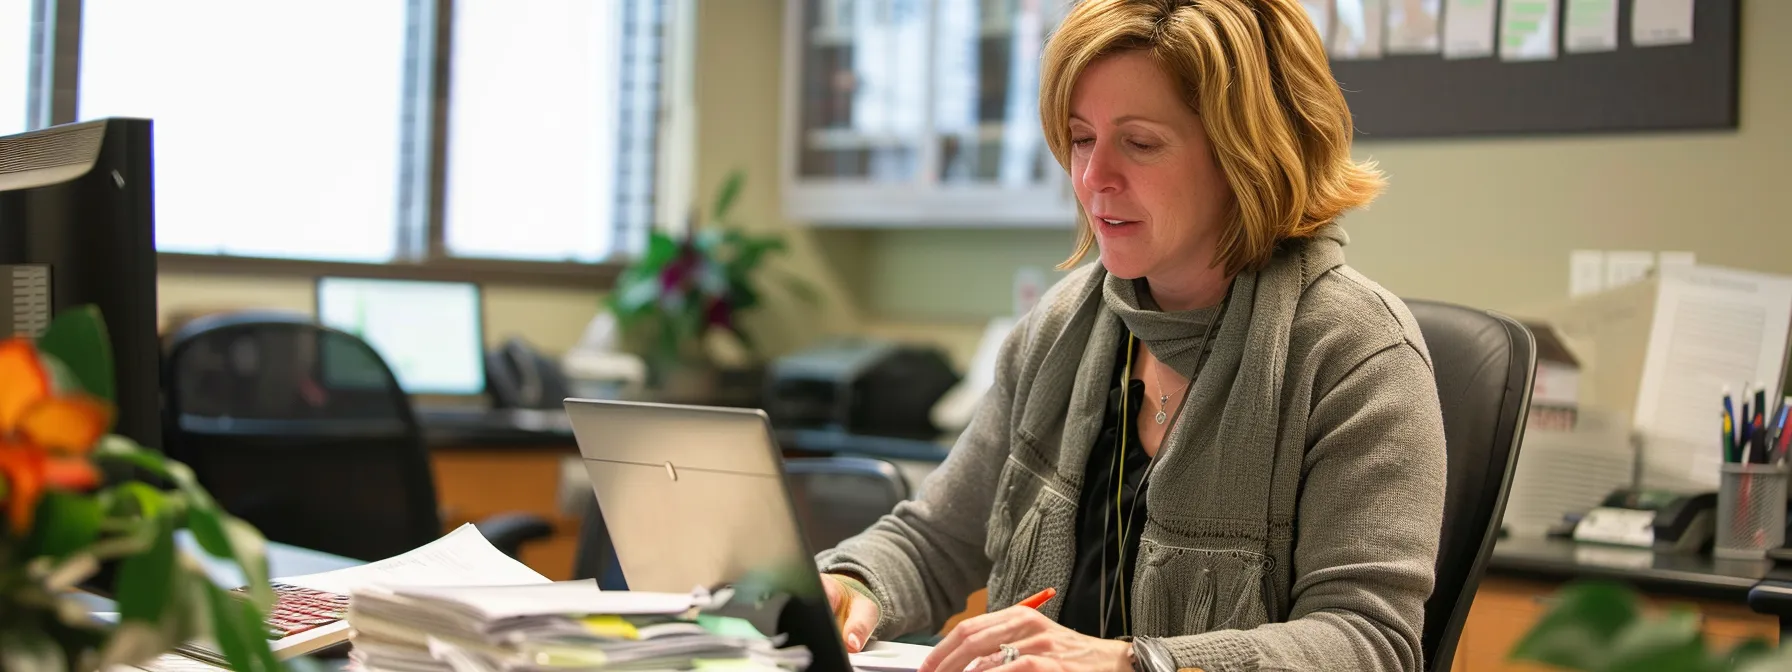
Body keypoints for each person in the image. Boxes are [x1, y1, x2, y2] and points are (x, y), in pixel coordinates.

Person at [815, 1, 1448, 671]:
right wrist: (852, 584)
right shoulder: (1061, 327)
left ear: (1250, 154)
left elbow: (1369, 642)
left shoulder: (1357, 354)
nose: (1092, 179)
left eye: (1139, 143)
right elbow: (938, 538)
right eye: (1081, 138)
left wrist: (1132, 663)